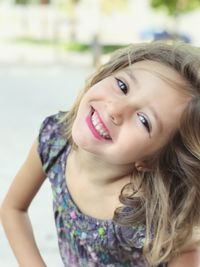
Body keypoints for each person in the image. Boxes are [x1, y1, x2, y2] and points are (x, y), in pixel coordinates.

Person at [1, 41, 200, 267]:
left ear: (153, 160)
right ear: (108, 73)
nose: (116, 109)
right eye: (123, 86)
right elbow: (12, 209)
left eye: (144, 121)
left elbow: (187, 250)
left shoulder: (151, 213)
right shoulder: (54, 140)